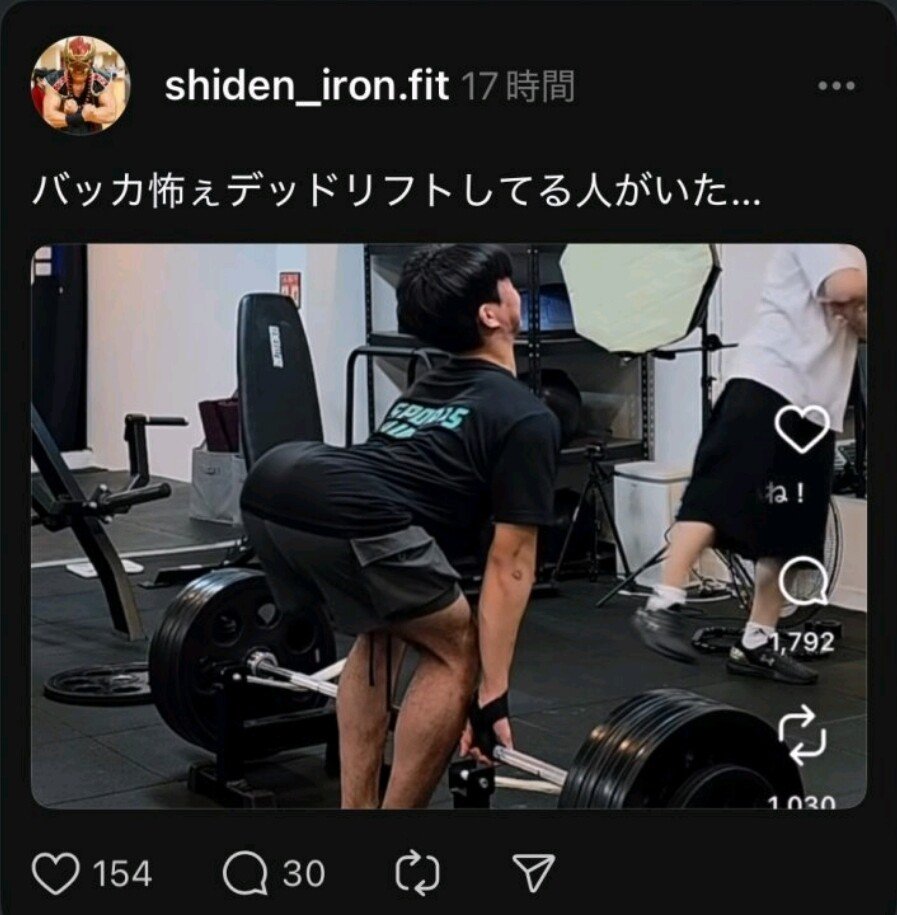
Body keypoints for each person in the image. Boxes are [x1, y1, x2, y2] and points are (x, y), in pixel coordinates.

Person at [240, 244, 561, 807]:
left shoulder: (424, 386)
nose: (517, 291)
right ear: (491, 314)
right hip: (343, 501)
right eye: (508, 283)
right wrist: (491, 696)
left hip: (275, 482)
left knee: (384, 629)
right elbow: (510, 565)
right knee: (457, 648)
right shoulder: (526, 416)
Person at [634, 244, 867, 684]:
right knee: (716, 497)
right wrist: (855, 300)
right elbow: (844, 288)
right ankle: (662, 603)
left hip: (816, 410)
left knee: (787, 532)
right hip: (768, 387)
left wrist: (857, 308)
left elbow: (858, 313)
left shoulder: (855, 252)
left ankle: (757, 642)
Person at [42, 36, 117, 134]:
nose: (78, 70)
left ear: (91, 62)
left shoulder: (103, 79)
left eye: (83, 63)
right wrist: (83, 116)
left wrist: (71, 115)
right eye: (73, 63)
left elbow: (110, 114)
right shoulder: (54, 80)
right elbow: (50, 117)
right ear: (67, 62)